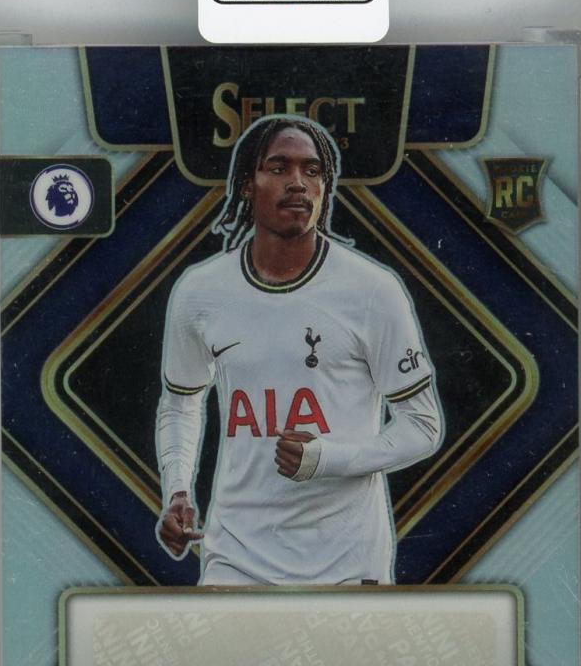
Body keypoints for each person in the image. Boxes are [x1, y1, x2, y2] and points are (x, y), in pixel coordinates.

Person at [156, 114, 443, 585]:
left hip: (347, 564)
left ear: (325, 187)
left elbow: (424, 425)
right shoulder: (200, 291)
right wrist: (178, 491)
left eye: (312, 171)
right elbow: (180, 403)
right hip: (236, 557)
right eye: (279, 168)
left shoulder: (372, 290)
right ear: (247, 184)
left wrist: (326, 458)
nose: (298, 183)